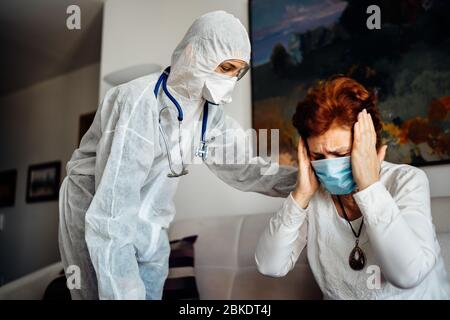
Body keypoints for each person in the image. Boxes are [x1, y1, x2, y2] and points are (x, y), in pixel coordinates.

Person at [58, 11, 297, 300]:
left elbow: (246, 169)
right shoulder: (137, 102)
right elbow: (112, 214)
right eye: (226, 68)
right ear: (195, 53)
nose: (232, 79)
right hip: (98, 212)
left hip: (151, 222)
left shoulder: (210, 116)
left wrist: (304, 182)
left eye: (238, 72)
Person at [255, 75, 450, 299]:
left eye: (341, 154)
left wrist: (368, 185)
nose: (329, 165)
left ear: (369, 144)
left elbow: (407, 275)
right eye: (318, 155)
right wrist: (300, 196)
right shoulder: (314, 193)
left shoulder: (407, 180)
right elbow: (270, 265)